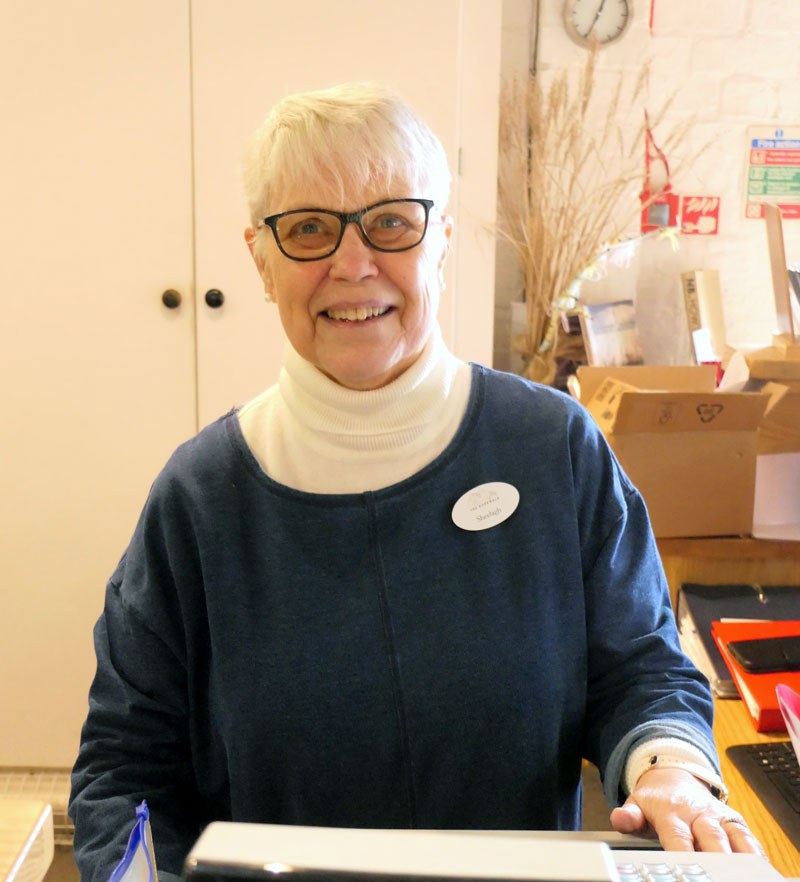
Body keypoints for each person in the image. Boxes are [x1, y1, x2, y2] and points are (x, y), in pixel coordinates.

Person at [69, 82, 767, 882]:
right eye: (308, 229)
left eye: (392, 222)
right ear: (260, 261)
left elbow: (641, 667)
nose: (352, 264)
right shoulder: (200, 499)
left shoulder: (551, 450)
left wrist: (669, 767)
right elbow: (125, 768)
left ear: (440, 241)